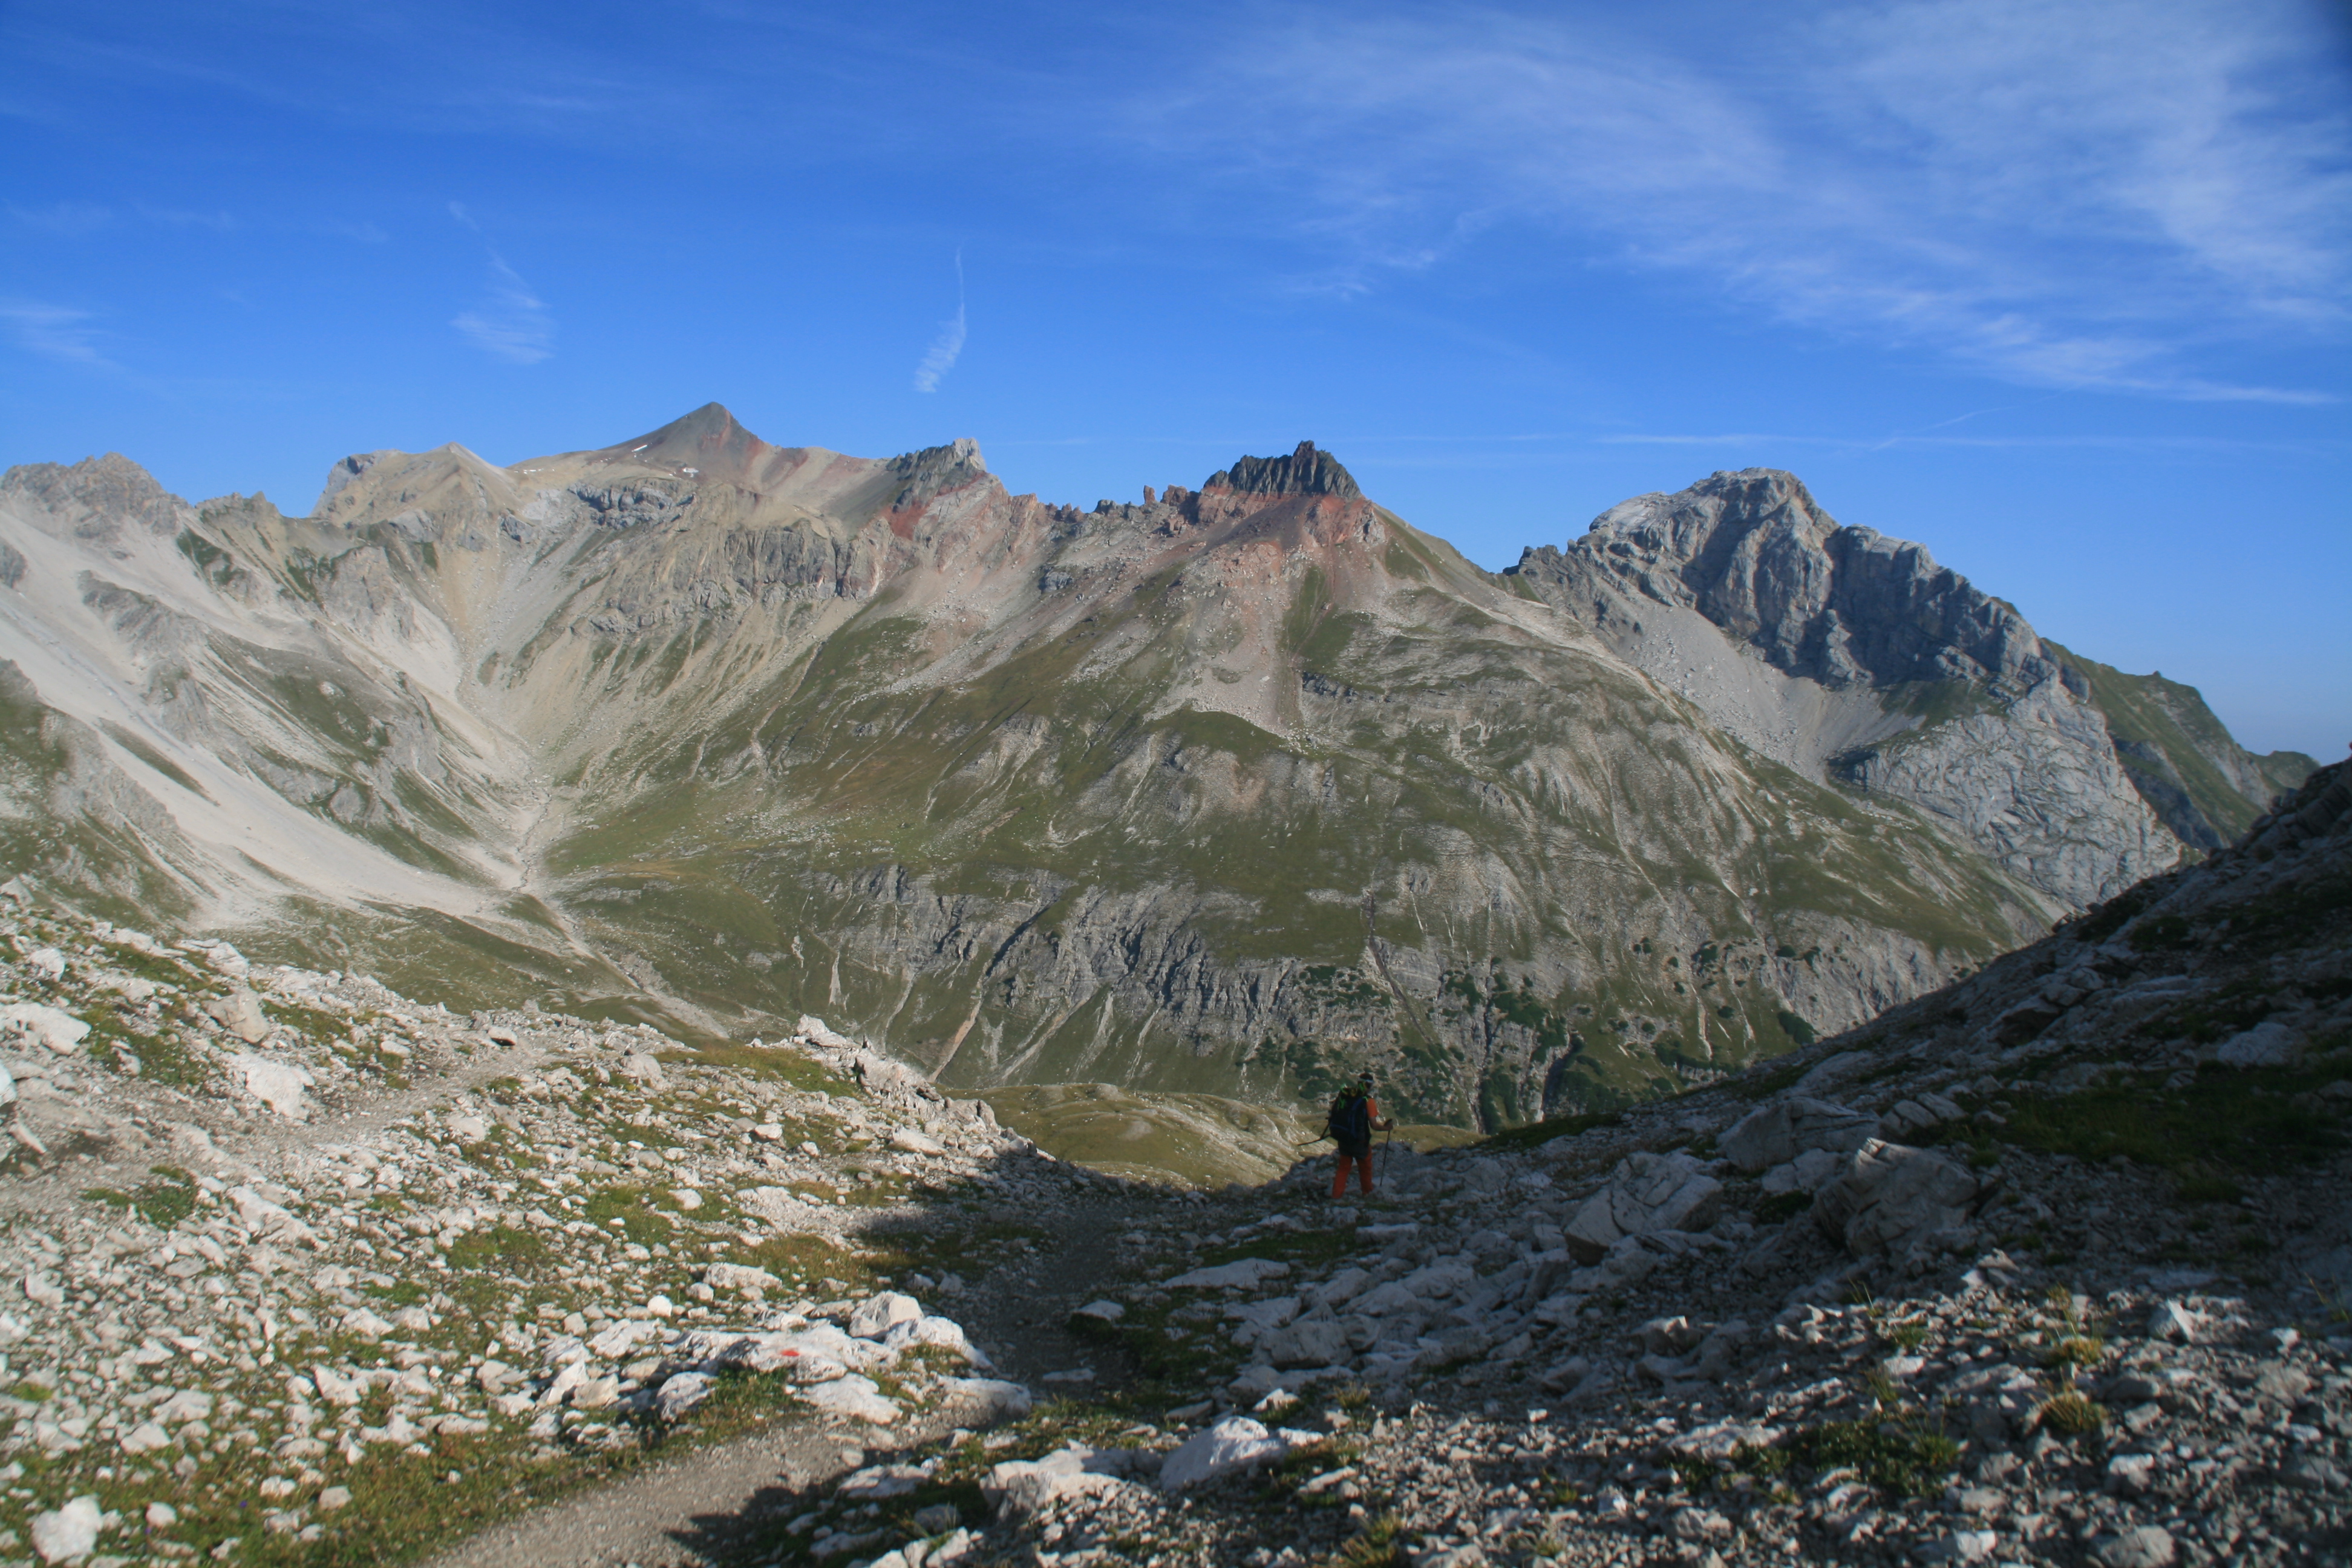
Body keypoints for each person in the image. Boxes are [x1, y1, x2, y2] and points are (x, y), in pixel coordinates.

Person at [1327, 1071, 1394, 1198]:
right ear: (1370, 1086)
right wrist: (1387, 1128)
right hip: (1359, 1141)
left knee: (1343, 1168)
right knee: (1365, 1167)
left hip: (1343, 1138)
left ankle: (1336, 1196)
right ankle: (1367, 1193)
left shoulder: (1346, 1095)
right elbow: (1374, 1125)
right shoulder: (1368, 1101)